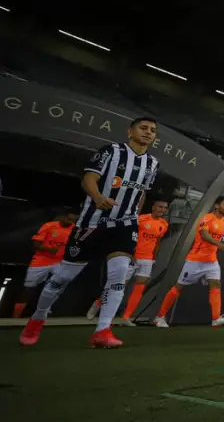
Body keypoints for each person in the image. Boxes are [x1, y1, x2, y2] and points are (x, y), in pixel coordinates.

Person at [20, 118, 161, 348]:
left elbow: (142, 192)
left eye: (152, 131)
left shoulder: (153, 163)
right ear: (130, 131)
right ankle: (38, 318)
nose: (148, 133)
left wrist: (134, 214)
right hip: (92, 223)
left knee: (119, 275)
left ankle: (102, 330)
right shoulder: (111, 151)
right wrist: (98, 198)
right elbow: (89, 179)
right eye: (143, 128)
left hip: (125, 225)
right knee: (62, 277)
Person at [152, 196, 224, 328]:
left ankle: (216, 318)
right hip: (196, 259)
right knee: (179, 287)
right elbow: (204, 235)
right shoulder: (206, 218)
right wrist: (219, 244)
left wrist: (217, 247)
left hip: (211, 260)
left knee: (216, 285)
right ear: (216, 205)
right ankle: (159, 316)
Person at [85, 199, 170, 325]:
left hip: (147, 259)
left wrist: (154, 257)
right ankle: (98, 302)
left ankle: (126, 317)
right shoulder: (140, 219)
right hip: (133, 256)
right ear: (153, 207)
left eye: (164, 208)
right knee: (119, 285)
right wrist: (131, 253)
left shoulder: (164, 224)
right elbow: (132, 236)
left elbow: (157, 242)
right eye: (160, 207)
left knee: (139, 287)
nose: (162, 210)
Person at [13, 210, 77, 319]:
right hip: (40, 261)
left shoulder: (74, 229)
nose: (70, 222)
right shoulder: (49, 226)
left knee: (59, 285)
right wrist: (49, 249)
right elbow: (36, 244)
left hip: (59, 262)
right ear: (62, 217)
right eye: (68, 219)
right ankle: (15, 317)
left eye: (72, 220)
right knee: (28, 289)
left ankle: (44, 312)